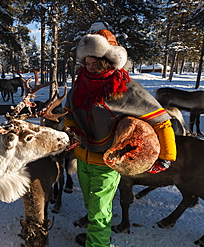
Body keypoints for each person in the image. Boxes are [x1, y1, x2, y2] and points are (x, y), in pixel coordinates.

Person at [63, 29, 177, 246]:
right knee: (92, 205)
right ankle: (97, 235)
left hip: (107, 161)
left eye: (94, 63)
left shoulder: (125, 88)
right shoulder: (80, 84)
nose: (89, 68)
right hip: (82, 156)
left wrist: (166, 155)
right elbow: (69, 113)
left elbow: (161, 120)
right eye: (86, 63)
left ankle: (98, 243)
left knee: (99, 210)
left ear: (107, 61)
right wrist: (72, 130)